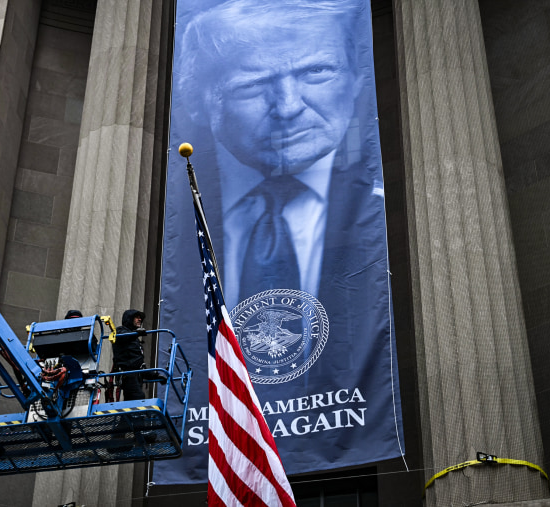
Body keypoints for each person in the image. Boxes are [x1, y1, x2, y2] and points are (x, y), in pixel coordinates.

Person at [174, 0, 383, 310]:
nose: (288, 107)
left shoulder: (378, 207)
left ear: (355, 79)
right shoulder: (175, 225)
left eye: (316, 71)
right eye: (253, 84)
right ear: (198, 103)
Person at [112, 309, 153, 401]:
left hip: (136, 376)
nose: (139, 320)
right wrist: (136, 334)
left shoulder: (135, 341)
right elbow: (122, 337)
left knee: (134, 400)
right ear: (129, 319)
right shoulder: (120, 331)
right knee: (138, 397)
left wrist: (155, 375)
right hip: (128, 374)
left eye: (140, 318)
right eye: (137, 317)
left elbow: (139, 363)